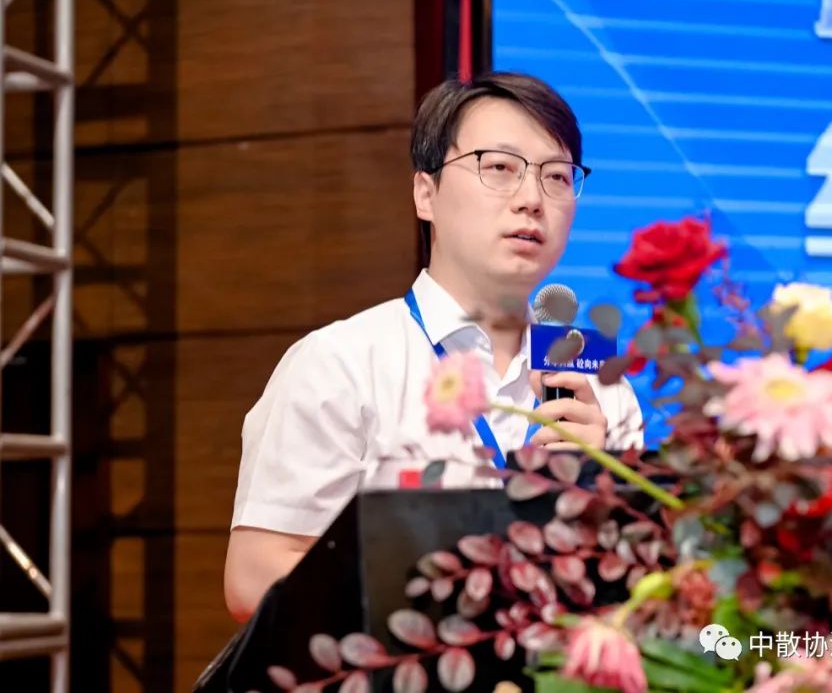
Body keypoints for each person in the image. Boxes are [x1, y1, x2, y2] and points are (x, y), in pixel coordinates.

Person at [223, 72, 644, 621]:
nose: (532, 200)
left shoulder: (598, 386)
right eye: (500, 167)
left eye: (557, 177)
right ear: (426, 193)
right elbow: (255, 575)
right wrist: (443, 605)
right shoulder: (342, 364)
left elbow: (646, 583)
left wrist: (596, 492)